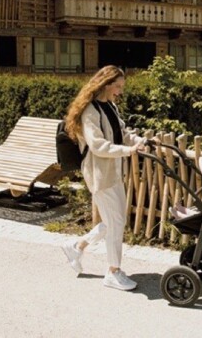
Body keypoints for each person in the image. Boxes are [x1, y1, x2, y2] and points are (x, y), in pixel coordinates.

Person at [60, 65, 147, 291]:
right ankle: (113, 272)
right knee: (115, 222)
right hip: (99, 174)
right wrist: (127, 151)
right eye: (117, 86)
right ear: (105, 84)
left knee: (114, 221)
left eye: (121, 87)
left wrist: (137, 141)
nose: (119, 91)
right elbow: (97, 145)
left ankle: (77, 246)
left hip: (114, 172)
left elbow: (122, 133)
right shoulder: (90, 110)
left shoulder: (110, 106)